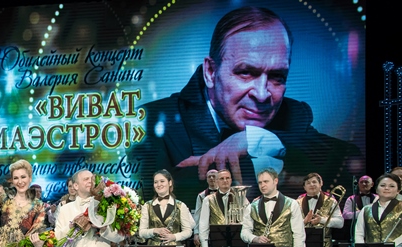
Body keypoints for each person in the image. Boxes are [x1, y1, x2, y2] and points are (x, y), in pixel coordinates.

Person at [140, 6, 361, 204]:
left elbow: (351, 165)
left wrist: (259, 139)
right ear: (210, 72)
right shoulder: (151, 120)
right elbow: (154, 200)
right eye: (246, 72)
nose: (262, 94)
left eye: (277, 76)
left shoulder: (293, 114)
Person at [192, 169, 218, 247]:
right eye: (209, 177)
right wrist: (196, 233)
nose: (212, 178)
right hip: (206, 233)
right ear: (206, 179)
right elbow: (197, 216)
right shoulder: (202, 196)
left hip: (220, 232)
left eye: (214, 176)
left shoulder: (227, 194)